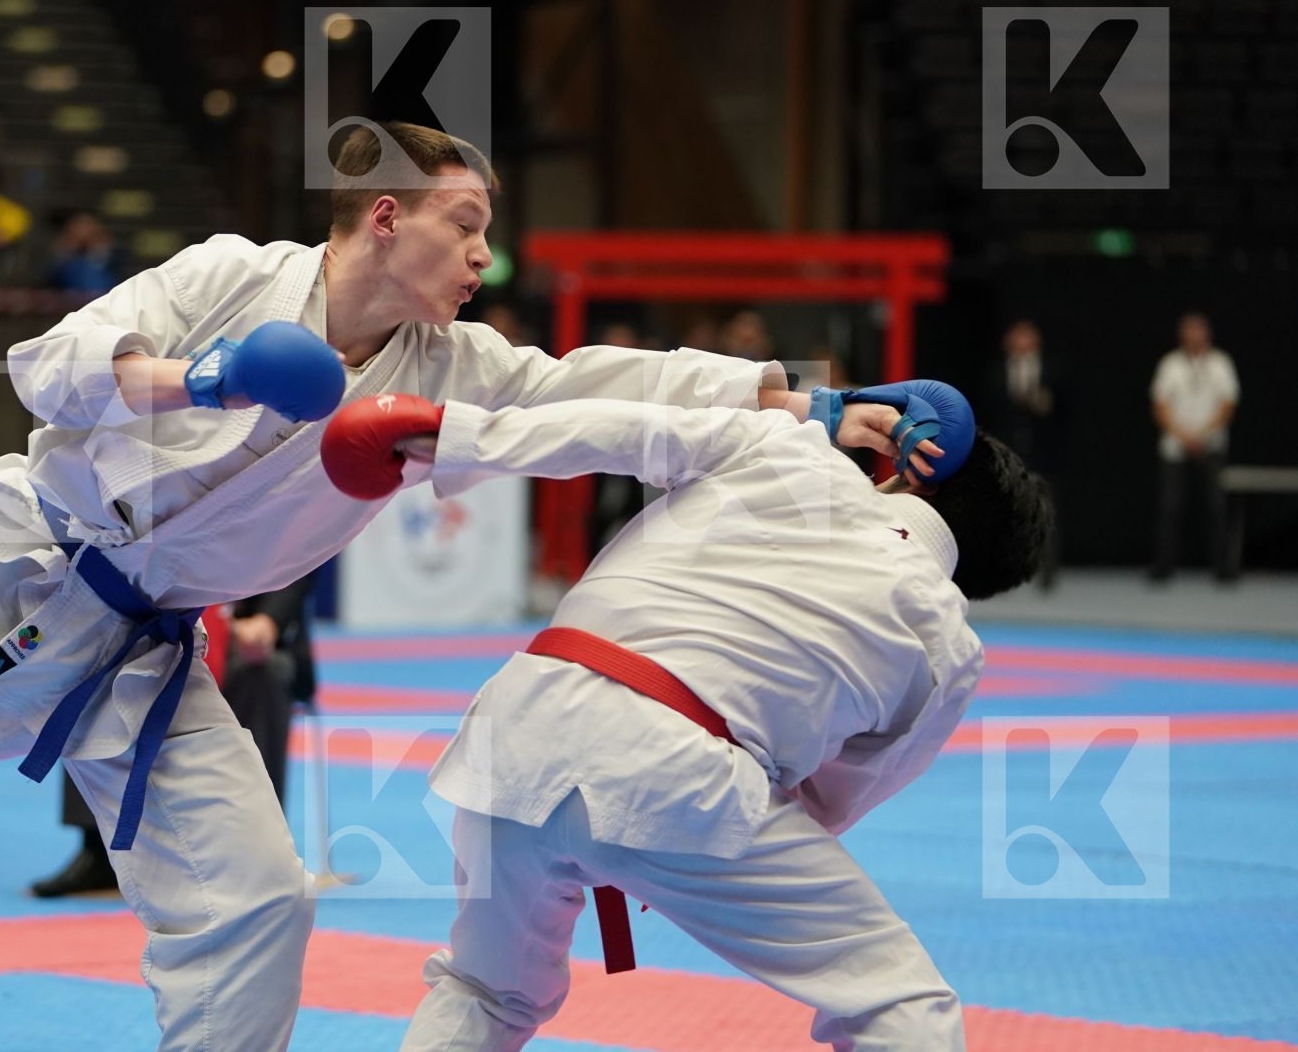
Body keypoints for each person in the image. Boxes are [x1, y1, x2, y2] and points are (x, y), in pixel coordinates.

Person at [0, 121, 824, 1052]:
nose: (485, 258)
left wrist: (798, 399)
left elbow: (593, 390)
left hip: (144, 662)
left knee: (253, 903)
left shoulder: (454, 368)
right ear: (386, 214)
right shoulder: (225, 278)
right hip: (13, 588)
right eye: (467, 224)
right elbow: (47, 364)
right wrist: (202, 378)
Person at [320, 380, 1051, 1052]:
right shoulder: (948, 649)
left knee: (488, 991)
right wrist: (664, 847)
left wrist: (452, 436)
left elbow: (616, 427)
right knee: (900, 1007)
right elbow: (825, 802)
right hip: (681, 776)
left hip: (515, 725)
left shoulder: (785, 448)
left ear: (911, 464)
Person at [31, 573, 320, 898]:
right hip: (157, 626)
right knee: (100, 669)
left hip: (243, 633)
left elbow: (299, 564)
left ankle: (256, 849)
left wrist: (268, 621)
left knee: (265, 673)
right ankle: (99, 851)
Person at [1149, 312, 1239, 583]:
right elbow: (1160, 406)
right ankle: (1163, 567)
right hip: (1174, 448)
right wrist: (1183, 435)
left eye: (1198, 330)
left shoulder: (1221, 363)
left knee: (1215, 507)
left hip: (1211, 447)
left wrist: (1202, 435)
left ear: (1207, 334)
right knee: (1170, 508)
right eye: (1189, 331)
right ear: (1181, 334)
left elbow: (1228, 404)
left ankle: (1222, 568)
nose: (1194, 336)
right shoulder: (1170, 365)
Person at [985, 319, 1063, 587]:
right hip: (1006, 451)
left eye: (1026, 337)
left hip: (1042, 451)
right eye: (1016, 337)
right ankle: (1002, 572)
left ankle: (1048, 572)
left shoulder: (1051, 371)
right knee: (1004, 511)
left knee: (1045, 507)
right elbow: (990, 412)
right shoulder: (997, 372)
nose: (1021, 343)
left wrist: (1047, 406)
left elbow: (1066, 411)